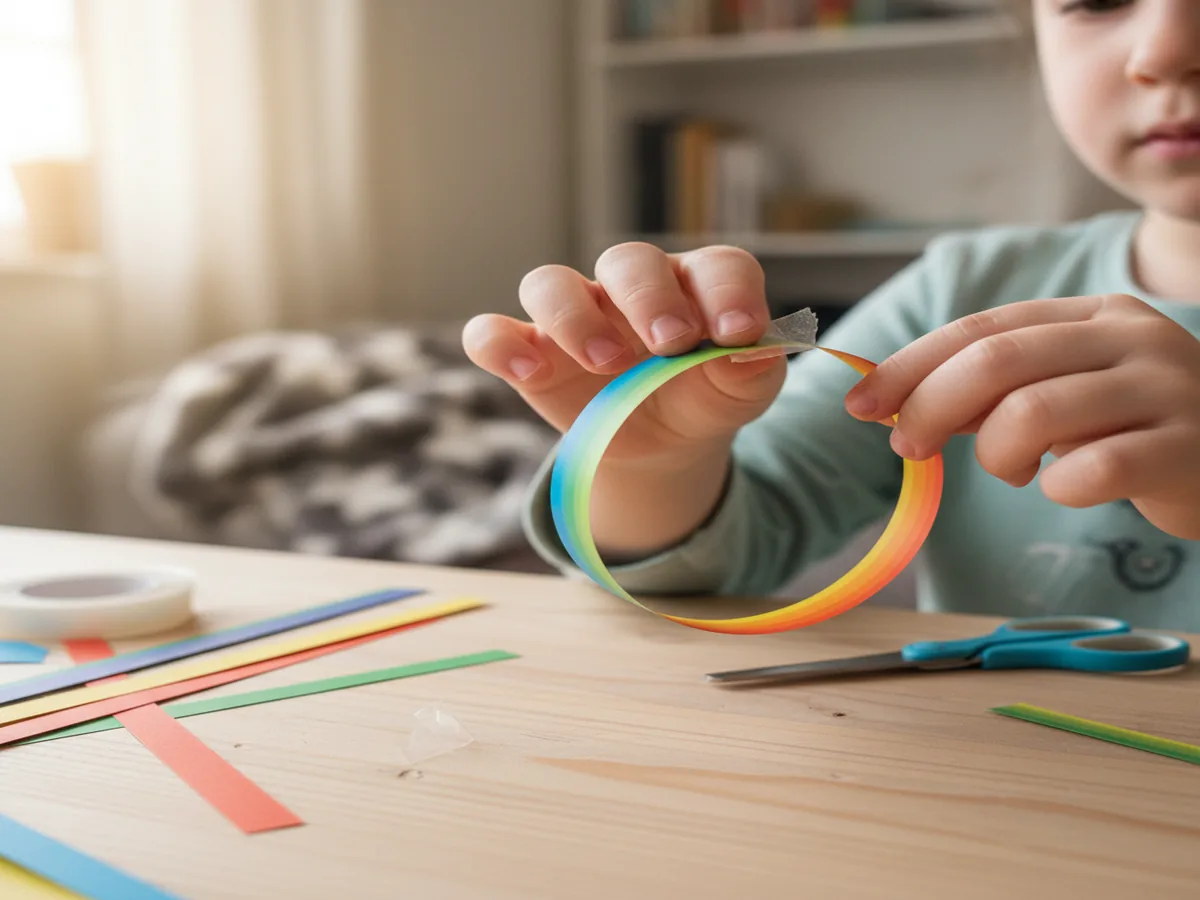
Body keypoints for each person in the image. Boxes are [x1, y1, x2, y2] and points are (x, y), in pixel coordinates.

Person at [462, 0, 1200, 632]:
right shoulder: (969, 288)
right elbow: (729, 552)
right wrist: (657, 463)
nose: (1165, 50)